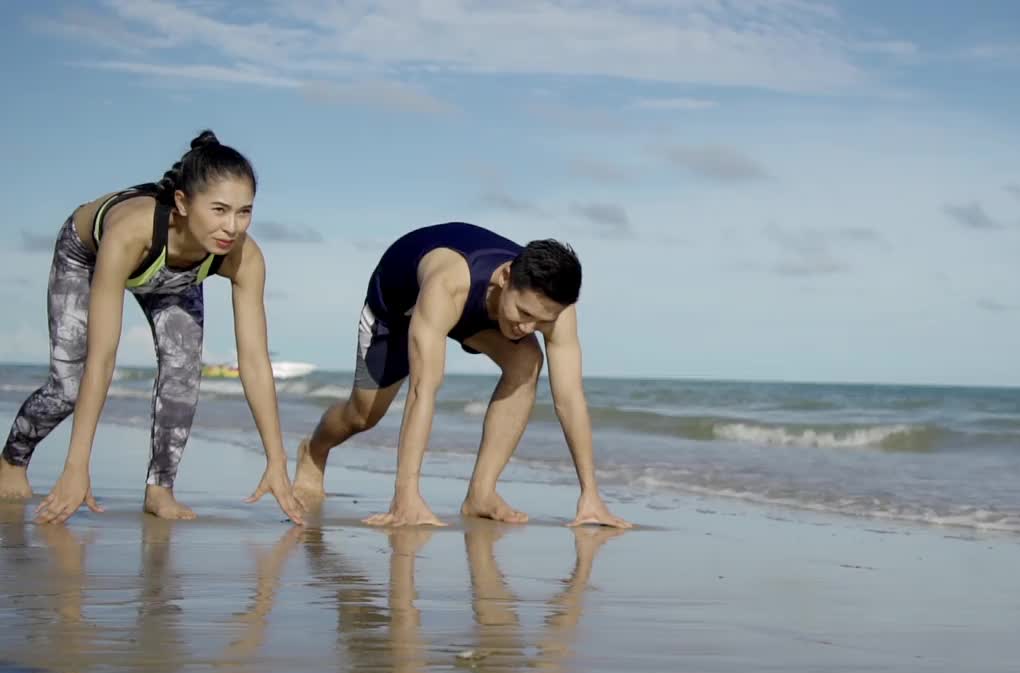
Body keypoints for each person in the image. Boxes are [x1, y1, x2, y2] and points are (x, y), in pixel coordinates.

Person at [0, 130, 305, 525]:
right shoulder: (130, 233)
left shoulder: (243, 257)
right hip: (87, 255)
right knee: (67, 387)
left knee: (183, 373)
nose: (232, 226)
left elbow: (254, 361)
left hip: (175, 277)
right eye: (219, 210)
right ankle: (12, 460)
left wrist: (277, 461)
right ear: (182, 202)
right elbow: (104, 354)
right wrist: (77, 467)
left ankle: (160, 489)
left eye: (244, 211)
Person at [291, 222, 631, 529]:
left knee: (526, 360)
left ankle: (481, 494)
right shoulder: (448, 284)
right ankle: (313, 451)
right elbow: (424, 390)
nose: (529, 327)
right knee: (363, 415)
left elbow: (570, 399)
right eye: (524, 312)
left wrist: (591, 495)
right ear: (505, 276)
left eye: (542, 321)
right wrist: (405, 496)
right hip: (397, 307)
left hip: (477, 312)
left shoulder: (555, 308)